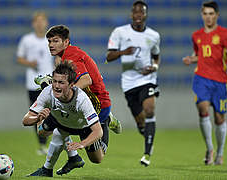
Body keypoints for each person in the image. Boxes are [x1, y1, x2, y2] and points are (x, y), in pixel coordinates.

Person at [39, 24, 122, 176]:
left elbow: (86, 79)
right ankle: (71, 159)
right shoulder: (66, 56)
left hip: (97, 105)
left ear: (66, 42)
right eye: (49, 41)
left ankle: (107, 121)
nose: (51, 45)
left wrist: (63, 94)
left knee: (97, 158)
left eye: (55, 41)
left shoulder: (71, 56)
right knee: (54, 126)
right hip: (87, 104)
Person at [182, 1, 227, 165]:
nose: (208, 17)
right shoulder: (196, 35)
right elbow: (200, 55)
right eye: (205, 14)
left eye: (211, 14)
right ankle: (210, 149)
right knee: (202, 108)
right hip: (201, 78)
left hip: (220, 81)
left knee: (219, 118)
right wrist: (191, 59)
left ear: (217, 15)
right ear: (202, 15)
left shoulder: (225, 33)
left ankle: (220, 152)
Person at [22, 61, 104, 177]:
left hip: (83, 126)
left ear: (71, 85)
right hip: (61, 120)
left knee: (97, 159)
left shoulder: (81, 99)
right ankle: (48, 169)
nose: (56, 86)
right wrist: (38, 117)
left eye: (61, 82)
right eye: (54, 81)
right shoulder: (48, 92)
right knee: (43, 132)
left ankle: (107, 120)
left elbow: (98, 131)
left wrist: (82, 144)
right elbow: (25, 120)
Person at [106, 0, 160, 167]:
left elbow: (156, 55)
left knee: (150, 109)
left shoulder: (154, 35)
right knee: (141, 123)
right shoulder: (120, 32)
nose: (138, 15)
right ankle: (147, 134)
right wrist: (124, 52)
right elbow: (109, 57)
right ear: (131, 14)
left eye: (141, 12)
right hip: (129, 83)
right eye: (135, 12)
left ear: (145, 15)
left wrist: (155, 67)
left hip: (147, 80)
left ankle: (147, 154)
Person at [16, 12, 54, 155]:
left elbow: (56, 58)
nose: (39, 23)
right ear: (33, 23)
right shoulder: (27, 40)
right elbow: (19, 58)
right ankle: (42, 144)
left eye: (42, 21)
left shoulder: (50, 39)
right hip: (33, 83)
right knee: (36, 114)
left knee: (52, 113)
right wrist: (29, 63)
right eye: (37, 21)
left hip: (50, 83)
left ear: (46, 23)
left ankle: (53, 142)